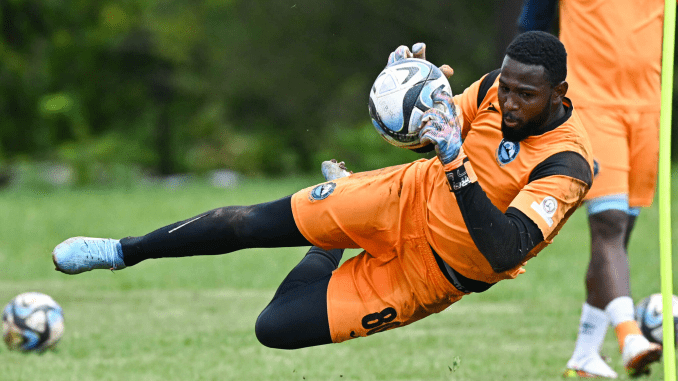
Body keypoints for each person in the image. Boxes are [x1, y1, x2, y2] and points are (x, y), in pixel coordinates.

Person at [52, 32, 595, 354]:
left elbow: (505, 248)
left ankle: (331, 236)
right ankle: (122, 251)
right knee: (246, 223)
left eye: (526, 94)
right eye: (506, 88)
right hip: (400, 197)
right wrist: (404, 93)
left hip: (432, 275)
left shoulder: (566, 165)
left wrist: (454, 160)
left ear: (558, 95)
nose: (511, 102)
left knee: (276, 327)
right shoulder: (494, 90)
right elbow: (427, 136)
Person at [518, 0, 664, 378]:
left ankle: (584, 356)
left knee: (619, 236)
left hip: (649, 108)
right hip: (592, 105)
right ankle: (629, 334)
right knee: (609, 223)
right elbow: (532, 25)